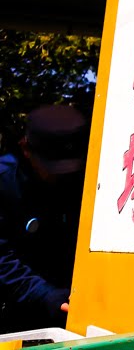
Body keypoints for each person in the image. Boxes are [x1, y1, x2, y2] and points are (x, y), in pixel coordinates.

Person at [0, 104, 87, 331]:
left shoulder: (80, 178)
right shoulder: (4, 182)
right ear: (25, 148)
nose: (60, 175)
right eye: (52, 166)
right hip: (17, 304)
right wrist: (44, 294)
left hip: (70, 301)